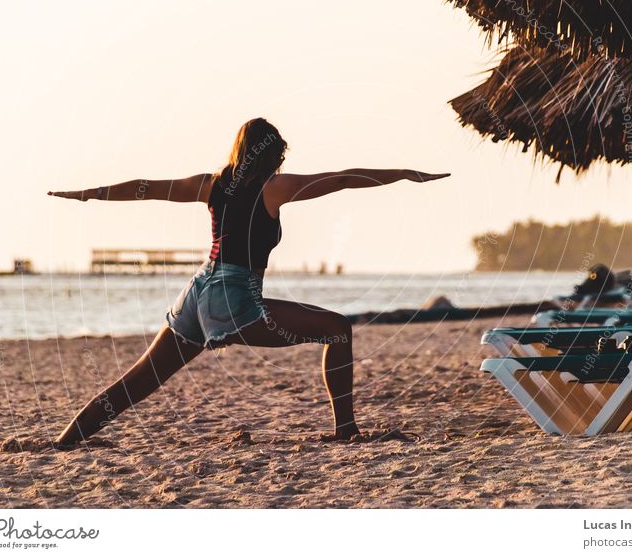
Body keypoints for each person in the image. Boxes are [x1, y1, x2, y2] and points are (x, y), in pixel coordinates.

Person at [48, 117, 449, 445]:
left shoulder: (211, 183)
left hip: (196, 294)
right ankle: (345, 429)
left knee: (139, 381)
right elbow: (342, 178)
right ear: (274, 154)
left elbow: (146, 189)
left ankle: (65, 440)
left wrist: (89, 194)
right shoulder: (274, 187)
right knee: (337, 329)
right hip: (234, 295)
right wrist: (402, 174)